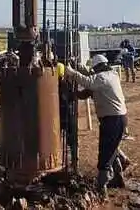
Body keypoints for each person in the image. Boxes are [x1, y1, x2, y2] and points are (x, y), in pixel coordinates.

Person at [58, 54, 132, 197]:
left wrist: (72, 72)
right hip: (116, 119)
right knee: (112, 148)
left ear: (99, 67)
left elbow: (89, 81)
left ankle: (101, 186)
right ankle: (118, 175)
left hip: (113, 120)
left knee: (105, 152)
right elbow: (86, 91)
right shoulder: (110, 76)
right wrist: (77, 67)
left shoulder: (103, 78)